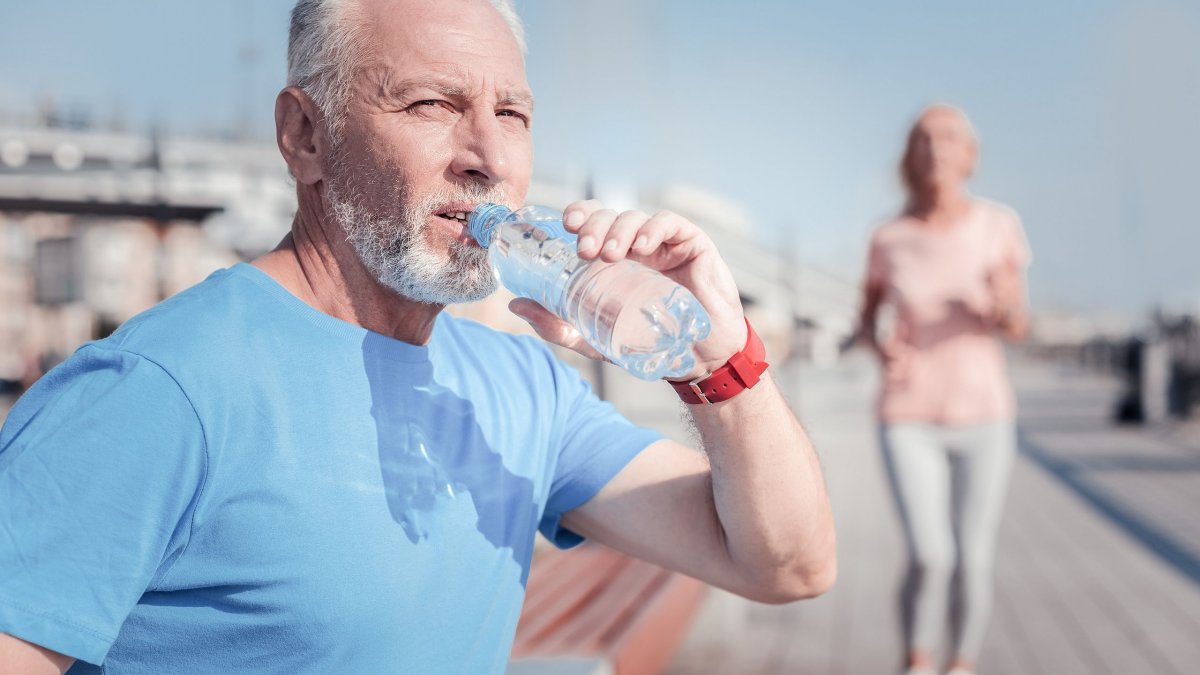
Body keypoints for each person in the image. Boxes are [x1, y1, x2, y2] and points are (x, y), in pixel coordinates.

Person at [0, 1, 836, 672]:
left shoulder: (521, 384)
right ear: (305, 136)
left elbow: (786, 564)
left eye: (511, 112)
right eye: (432, 103)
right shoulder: (154, 390)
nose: (487, 155)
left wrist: (720, 361)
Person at [858, 104, 1030, 675]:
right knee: (931, 556)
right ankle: (917, 661)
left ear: (969, 155)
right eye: (924, 139)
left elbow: (1019, 326)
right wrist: (880, 345)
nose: (937, 149)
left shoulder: (998, 225)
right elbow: (865, 323)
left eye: (950, 138)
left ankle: (961, 664)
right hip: (908, 414)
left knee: (972, 560)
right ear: (911, 155)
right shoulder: (889, 237)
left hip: (985, 413)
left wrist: (1001, 308)